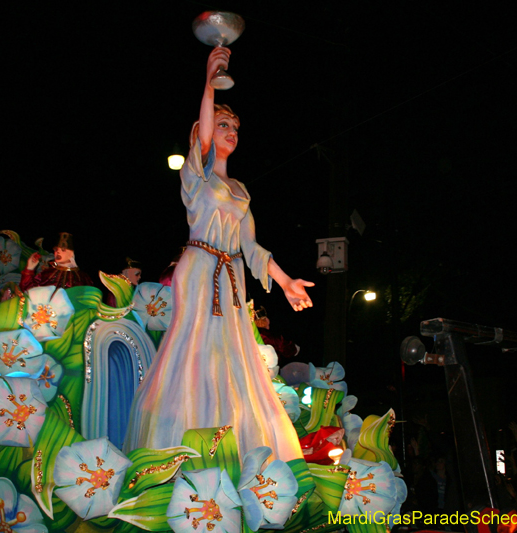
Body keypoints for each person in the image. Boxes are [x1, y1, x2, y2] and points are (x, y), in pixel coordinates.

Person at [124, 46, 314, 462]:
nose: (231, 132)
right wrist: (210, 84)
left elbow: (252, 247)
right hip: (199, 269)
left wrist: (286, 282)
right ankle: (182, 440)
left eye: (236, 127)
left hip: (232, 275)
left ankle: (233, 440)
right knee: (195, 348)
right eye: (223, 124)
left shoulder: (241, 192)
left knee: (233, 354)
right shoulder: (197, 177)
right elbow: (205, 132)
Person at [19, 232, 94, 291]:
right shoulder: (47, 274)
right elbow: (29, 291)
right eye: (56, 249)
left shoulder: (83, 278)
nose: (58, 252)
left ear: (72, 254)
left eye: (63, 250)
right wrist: (29, 268)